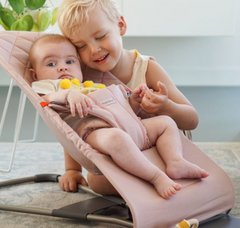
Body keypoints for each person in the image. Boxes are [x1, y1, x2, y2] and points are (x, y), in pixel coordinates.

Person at [56, 0, 203, 195]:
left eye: (100, 36)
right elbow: (75, 125)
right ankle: (152, 182)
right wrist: (72, 169)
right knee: (96, 181)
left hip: (158, 150)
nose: (93, 50)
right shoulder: (83, 78)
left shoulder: (147, 68)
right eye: (80, 46)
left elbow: (192, 120)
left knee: (168, 141)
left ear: (121, 26)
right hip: (122, 158)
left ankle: (167, 173)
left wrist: (165, 106)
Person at [29, 34, 208, 199]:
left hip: (131, 126)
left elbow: (123, 110)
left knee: (165, 122)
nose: (62, 67)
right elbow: (50, 107)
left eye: (69, 61)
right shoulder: (48, 87)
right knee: (116, 138)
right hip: (96, 132)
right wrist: (68, 95)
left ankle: (176, 161)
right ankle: (155, 177)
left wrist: (135, 103)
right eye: (51, 64)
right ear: (35, 75)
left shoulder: (91, 85)